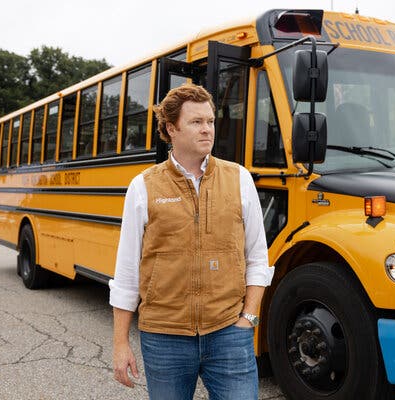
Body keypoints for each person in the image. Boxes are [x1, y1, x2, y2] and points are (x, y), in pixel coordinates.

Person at [109, 83, 274, 400]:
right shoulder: (143, 187)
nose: (207, 129)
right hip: (164, 337)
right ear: (171, 128)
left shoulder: (239, 179)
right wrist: (120, 343)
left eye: (210, 121)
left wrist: (248, 319)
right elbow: (127, 271)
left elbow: (257, 258)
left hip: (228, 332)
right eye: (196, 122)